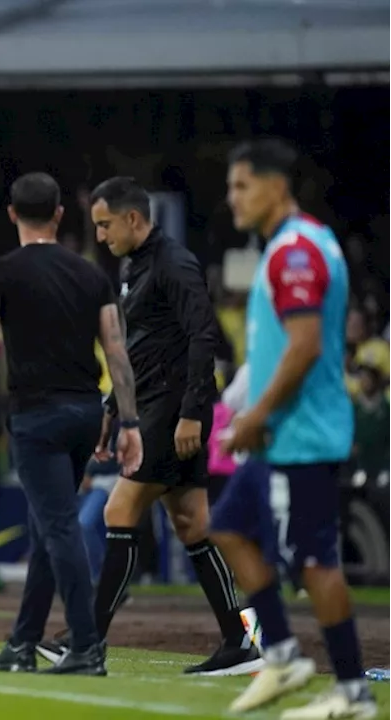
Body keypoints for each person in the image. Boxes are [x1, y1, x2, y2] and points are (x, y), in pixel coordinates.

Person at [38, 176, 257, 675]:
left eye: (105, 225)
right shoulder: (134, 264)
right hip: (155, 405)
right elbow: (141, 346)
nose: (100, 236)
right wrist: (114, 406)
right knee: (193, 524)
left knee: (119, 509)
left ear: (133, 218)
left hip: (172, 409)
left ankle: (88, 642)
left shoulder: (174, 264)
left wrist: (191, 414)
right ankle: (241, 640)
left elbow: (205, 339)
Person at [0, 172, 142, 676]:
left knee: (58, 529)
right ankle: (23, 641)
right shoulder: (91, 274)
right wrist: (130, 422)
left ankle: (87, 646)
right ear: (57, 214)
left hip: (37, 416)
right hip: (85, 412)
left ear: (12, 214)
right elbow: (117, 353)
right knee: (45, 527)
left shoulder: (3, 272)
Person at [214, 139, 377, 718]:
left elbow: (305, 347)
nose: (232, 198)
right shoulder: (298, 244)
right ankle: (281, 654)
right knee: (227, 526)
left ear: (275, 187)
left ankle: (352, 693)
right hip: (281, 435)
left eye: (241, 186)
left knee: (315, 563)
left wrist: (256, 416)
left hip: (299, 437)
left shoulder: (296, 253)